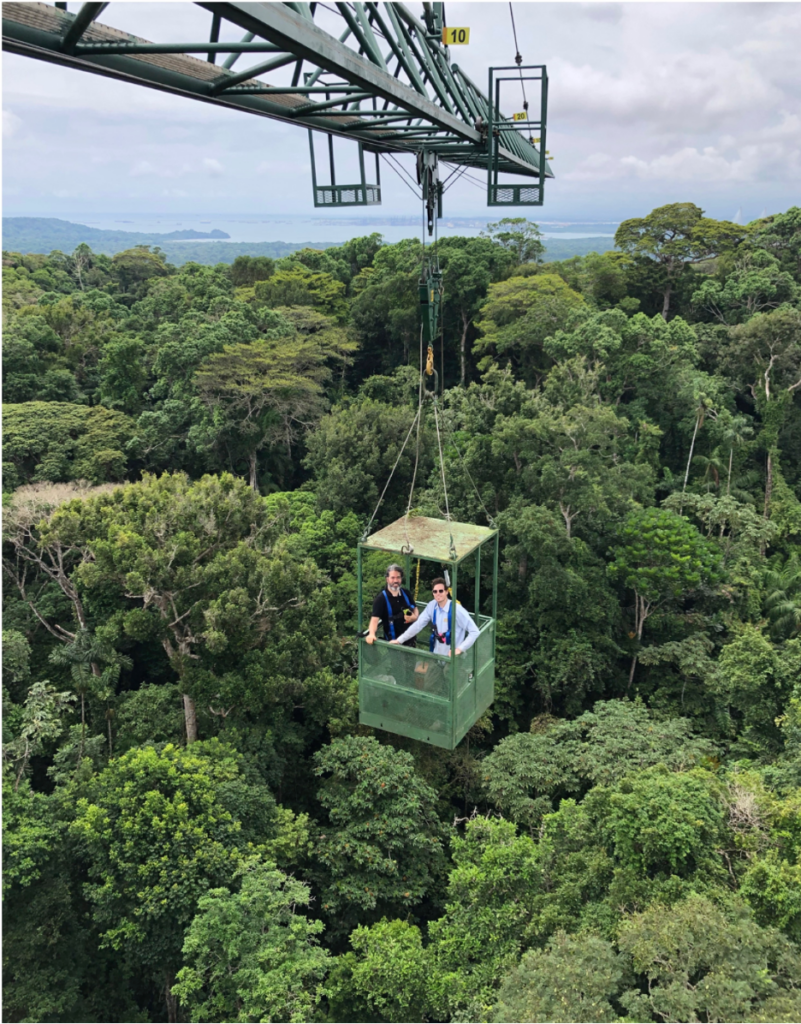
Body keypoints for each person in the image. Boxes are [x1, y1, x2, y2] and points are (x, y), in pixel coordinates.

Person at [390, 577, 479, 657]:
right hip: (437, 655)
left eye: (441, 591)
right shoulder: (432, 606)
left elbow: (474, 631)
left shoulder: (457, 610)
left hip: (453, 658)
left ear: (446, 592)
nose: (438, 594)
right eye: (435, 591)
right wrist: (399, 640)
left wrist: (460, 649)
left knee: (449, 673)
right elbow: (418, 625)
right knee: (431, 675)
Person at [365, 564, 419, 647]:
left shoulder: (406, 593)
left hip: (410, 639)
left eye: (398, 577)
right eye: (392, 578)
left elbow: (415, 608)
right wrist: (371, 634)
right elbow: (374, 619)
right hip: (393, 643)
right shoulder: (381, 599)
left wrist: (414, 617)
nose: (396, 580)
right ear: (387, 579)